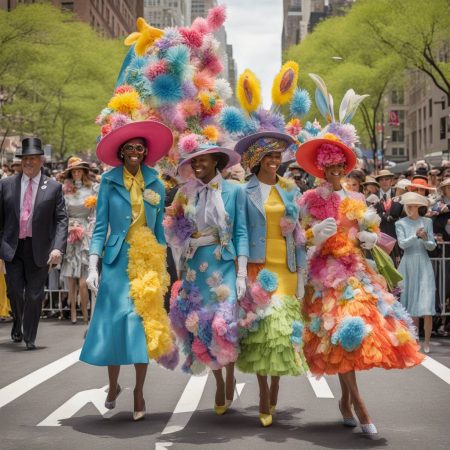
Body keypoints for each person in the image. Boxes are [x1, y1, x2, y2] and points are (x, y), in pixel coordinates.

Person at [297, 75, 423, 435]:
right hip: (324, 275)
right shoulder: (309, 200)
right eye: (330, 168)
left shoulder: (354, 199)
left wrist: (368, 238)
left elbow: (366, 234)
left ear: (345, 169)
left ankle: (348, 399)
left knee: (358, 334)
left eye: (340, 168)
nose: (336, 173)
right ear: (322, 168)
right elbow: (300, 237)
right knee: (336, 335)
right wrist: (313, 234)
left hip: (355, 273)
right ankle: (360, 406)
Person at [81, 120, 176, 421]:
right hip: (116, 260)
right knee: (114, 323)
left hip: (146, 259)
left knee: (137, 324)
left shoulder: (156, 183)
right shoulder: (108, 182)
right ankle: (112, 386)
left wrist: (163, 266)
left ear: (145, 153)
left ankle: (139, 390)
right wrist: (92, 264)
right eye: (130, 148)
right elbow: (100, 228)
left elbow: (159, 229)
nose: (135, 152)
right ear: (121, 152)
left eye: (140, 148)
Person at [166, 141, 245, 415]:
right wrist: (183, 242)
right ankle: (219, 380)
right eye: (194, 162)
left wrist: (243, 270)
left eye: (202, 161)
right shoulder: (186, 194)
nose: (197, 166)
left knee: (225, 322)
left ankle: (231, 373)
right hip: (194, 264)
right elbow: (176, 229)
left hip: (223, 262)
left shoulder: (235, 191)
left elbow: (241, 231)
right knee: (202, 325)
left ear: (216, 162)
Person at [235, 131, 308, 427]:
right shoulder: (244, 191)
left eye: (278, 156)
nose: (275, 161)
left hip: (287, 267)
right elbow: (240, 231)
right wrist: (241, 271)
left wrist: (302, 274)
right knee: (262, 332)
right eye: (269, 157)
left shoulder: (291, 189)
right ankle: (263, 393)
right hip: (259, 267)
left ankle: (275, 386)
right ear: (257, 160)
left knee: (280, 333)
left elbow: (299, 234)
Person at [0, 137, 68, 350]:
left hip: (39, 248)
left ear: (41, 160)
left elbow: (61, 220)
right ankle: (18, 322)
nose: (28, 162)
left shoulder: (54, 187)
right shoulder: (6, 184)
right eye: (25, 158)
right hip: (12, 247)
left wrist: (58, 247)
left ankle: (29, 335)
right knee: (15, 291)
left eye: (32, 158)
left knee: (34, 294)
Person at [396, 192, 436, 353]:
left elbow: (432, 245)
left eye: (415, 206)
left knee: (427, 303)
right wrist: (415, 235)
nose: (412, 208)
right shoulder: (400, 223)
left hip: (424, 262)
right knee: (410, 301)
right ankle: (414, 340)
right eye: (409, 206)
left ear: (420, 207)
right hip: (408, 263)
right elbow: (402, 244)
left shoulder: (427, 221)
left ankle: (427, 342)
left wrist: (426, 238)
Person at [61, 157, 98, 324]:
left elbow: (95, 213)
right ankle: (74, 312)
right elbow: (61, 214)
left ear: (83, 172)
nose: (76, 173)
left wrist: (88, 229)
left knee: (84, 280)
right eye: (73, 171)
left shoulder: (92, 189)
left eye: (79, 170)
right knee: (71, 277)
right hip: (69, 232)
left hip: (85, 233)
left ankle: (86, 313)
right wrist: (68, 227)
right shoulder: (65, 190)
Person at [374, 169, 403, 264]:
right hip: (380, 234)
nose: (384, 182)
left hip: (396, 234)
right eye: (381, 180)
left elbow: (400, 213)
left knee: (396, 265)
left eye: (386, 179)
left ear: (391, 181)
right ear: (378, 182)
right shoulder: (373, 196)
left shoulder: (398, 194)